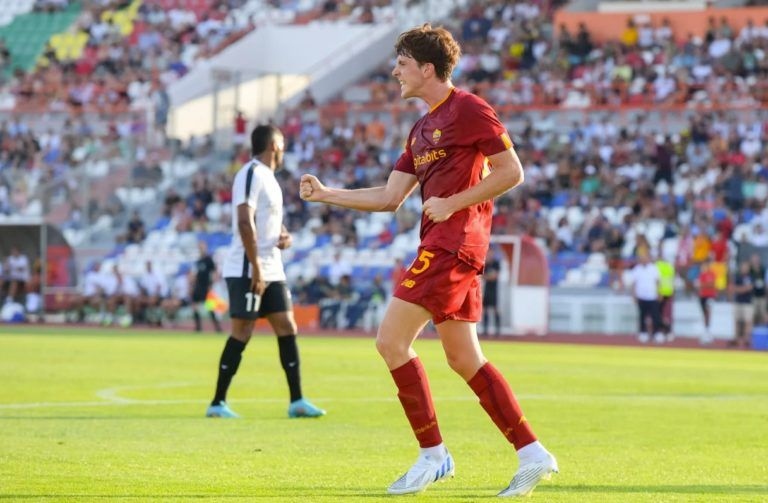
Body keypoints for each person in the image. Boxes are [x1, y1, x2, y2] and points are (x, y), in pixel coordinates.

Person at [299, 24, 556, 497]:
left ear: (427, 68)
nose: (395, 72)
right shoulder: (419, 130)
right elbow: (389, 197)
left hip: (452, 245)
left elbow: (512, 172)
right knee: (464, 358)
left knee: (391, 341)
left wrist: (454, 203)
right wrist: (327, 194)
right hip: (446, 246)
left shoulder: (469, 108)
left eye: (402, 64)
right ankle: (532, 453)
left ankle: (433, 455)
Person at [206, 124, 325, 419]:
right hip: (248, 267)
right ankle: (217, 403)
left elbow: (266, 221)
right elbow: (244, 221)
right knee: (242, 331)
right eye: (282, 143)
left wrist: (284, 236)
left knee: (287, 326)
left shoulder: (270, 179)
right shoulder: (250, 173)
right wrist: (256, 269)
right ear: (274, 145)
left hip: (272, 266)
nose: (284, 149)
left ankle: (297, 401)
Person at [627, 251, 663, 343]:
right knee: (642, 316)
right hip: (641, 296)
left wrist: (659, 293)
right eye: (642, 258)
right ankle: (643, 333)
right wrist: (634, 295)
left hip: (652, 296)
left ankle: (656, 333)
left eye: (645, 258)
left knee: (656, 316)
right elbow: (634, 283)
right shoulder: (637, 269)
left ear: (649, 258)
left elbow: (658, 282)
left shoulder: (654, 268)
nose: (643, 260)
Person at [191, 241, 223, 333]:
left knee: (210, 307)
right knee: (195, 306)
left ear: (205, 248)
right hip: (198, 286)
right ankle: (198, 327)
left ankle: (217, 328)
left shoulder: (209, 260)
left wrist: (211, 284)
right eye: (199, 247)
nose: (201, 249)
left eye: (202, 247)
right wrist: (192, 285)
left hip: (206, 287)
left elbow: (214, 272)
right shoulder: (198, 261)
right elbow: (195, 274)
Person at [730, 260, 754, 348]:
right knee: (736, 321)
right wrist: (744, 289)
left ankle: (746, 339)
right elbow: (733, 288)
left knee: (748, 321)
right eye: (743, 267)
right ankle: (736, 339)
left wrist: (739, 289)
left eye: (746, 267)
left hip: (747, 302)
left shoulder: (751, 277)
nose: (744, 268)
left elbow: (750, 288)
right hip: (738, 301)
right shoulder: (737, 277)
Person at [696, 256, 717, 344]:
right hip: (703, 295)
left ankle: (708, 330)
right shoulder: (702, 274)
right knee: (704, 313)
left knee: (708, 312)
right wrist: (704, 285)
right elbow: (699, 285)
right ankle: (706, 330)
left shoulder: (712, 274)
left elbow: (711, 285)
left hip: (710, 296)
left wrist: (703, 285)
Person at [482, 253, 501, 337]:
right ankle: (485, 330)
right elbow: (483, 276)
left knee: (496, 309)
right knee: (485, 309)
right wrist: (489, 276)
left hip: (494, 290)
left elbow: (495, 276)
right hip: (487, 289)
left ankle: (498, 330)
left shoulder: (496, 263)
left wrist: (488, 276)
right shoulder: (486, 265)